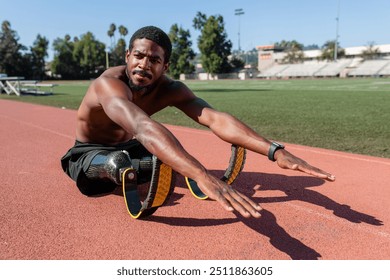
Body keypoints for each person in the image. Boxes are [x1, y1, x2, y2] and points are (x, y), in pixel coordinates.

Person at [61, 26, 335, 219]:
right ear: (127, 56)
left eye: (154, 60)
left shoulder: (171, 89)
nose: (144, 65)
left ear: (165, 66)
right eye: (139, 56)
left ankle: (158, 166)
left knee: (164, 148)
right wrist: (203, 174)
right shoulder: (108, 85)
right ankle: (131, 169)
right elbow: (142, 126)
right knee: (122, 160)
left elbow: (215, 119)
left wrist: (275, 151)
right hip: (89, 153)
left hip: (131, 146)